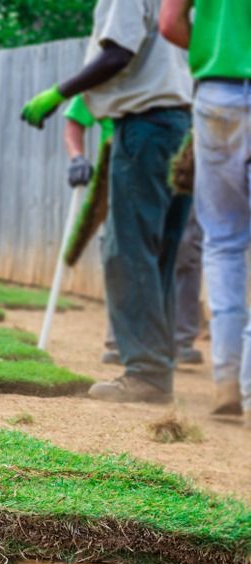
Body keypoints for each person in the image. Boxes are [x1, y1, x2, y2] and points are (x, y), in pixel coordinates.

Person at [21, 0, 193, 404]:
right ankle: (156, 370)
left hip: (145, 126)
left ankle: (146, 373)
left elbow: (119, 52)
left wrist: (59, 91)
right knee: (160, 253)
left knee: (128, 251)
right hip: (180, 126)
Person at [63, 95, 205, 367]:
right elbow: (74, 119)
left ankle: (177, 340)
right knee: (123, 254)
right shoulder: (112, 75)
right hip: (124, 167)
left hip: (179, 165)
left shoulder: (179, 71)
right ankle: (119, 341)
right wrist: (77, 158)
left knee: (183, 252)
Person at [161, 0, 251, 427]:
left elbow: (169, 23)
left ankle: (227, 382)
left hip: (216, 95)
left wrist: (215, 50)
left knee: (223, 242)